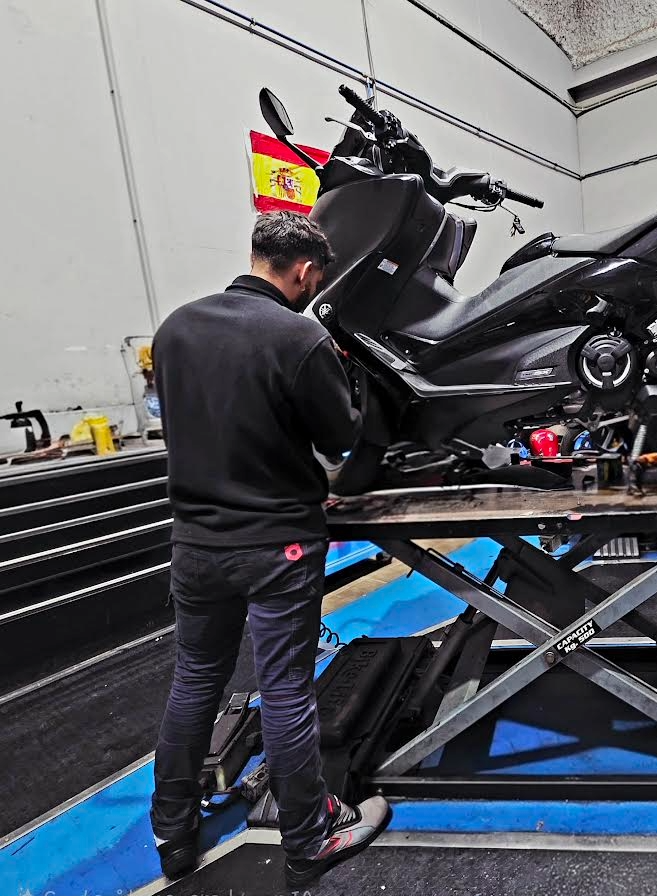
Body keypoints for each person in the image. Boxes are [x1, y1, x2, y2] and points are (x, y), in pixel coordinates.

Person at [150, 211, 389, 887]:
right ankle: (309, 838)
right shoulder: (299, 336)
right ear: (306, 271)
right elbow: (338, 439)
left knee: (195, 680)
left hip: (195, 541)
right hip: (275, 542)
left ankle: (172, 834)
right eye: (318, 279)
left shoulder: (176, 328)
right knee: (284, 687)